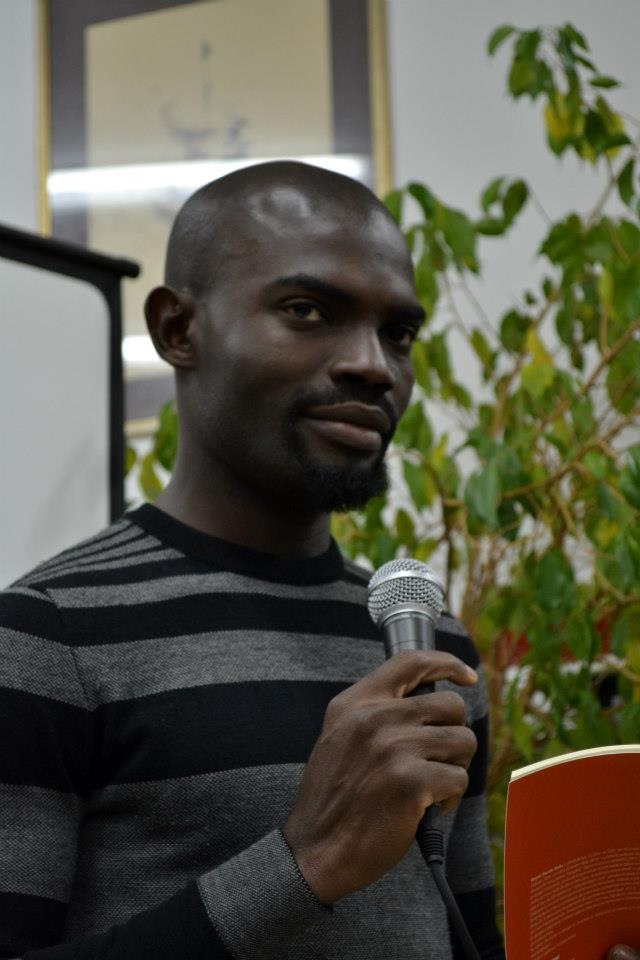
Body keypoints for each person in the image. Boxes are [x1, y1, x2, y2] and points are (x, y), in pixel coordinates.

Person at [0, 161, 504, 959]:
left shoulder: (429, 645)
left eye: (398, 334)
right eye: (308, 311)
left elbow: (471, 939)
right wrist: (305, 864)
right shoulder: (45, 639)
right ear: (178, 330)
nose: (374, 365)